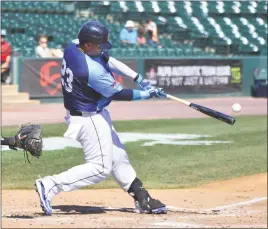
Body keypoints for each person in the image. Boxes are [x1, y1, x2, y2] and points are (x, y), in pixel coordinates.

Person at [35, 20, 167, 216]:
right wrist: (148, 94)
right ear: (88, 44)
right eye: (99, 44)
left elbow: (107, 58)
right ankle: (50, 184)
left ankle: (141, 197)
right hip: (89, 119)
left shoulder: (74, 46)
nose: (103, 49)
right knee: (100, 168)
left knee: (118, 155)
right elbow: (119, 94)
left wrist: (139, 79)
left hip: (91, 113)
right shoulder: (90, 71)